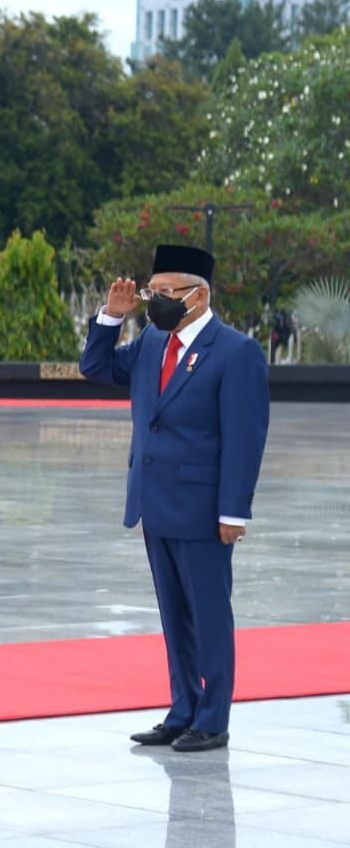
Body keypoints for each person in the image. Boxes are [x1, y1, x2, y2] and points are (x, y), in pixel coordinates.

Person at [80, 243, 269, 753]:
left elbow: (244, 439)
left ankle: (213, 717)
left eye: (167, 293)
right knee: (173, 616)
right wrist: (111, 318)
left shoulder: (236, 352)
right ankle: (183, 709)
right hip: (154, 503)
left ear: (199, 294)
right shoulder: (149, 343)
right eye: (151, 292)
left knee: (209, 615)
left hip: (204, 510)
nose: (156, 301)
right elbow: (94, 366)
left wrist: (234, 511)